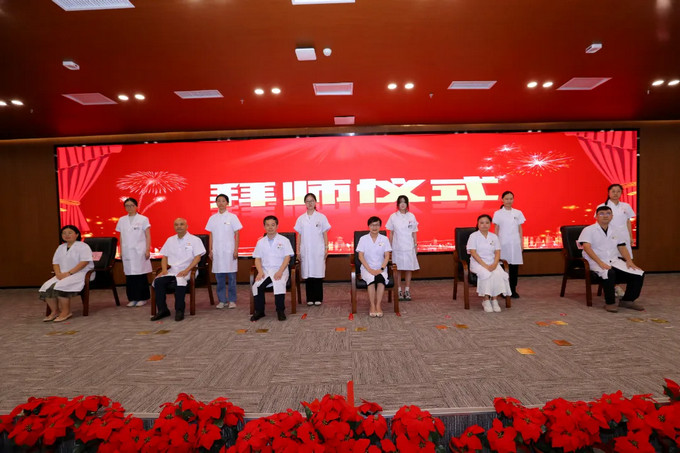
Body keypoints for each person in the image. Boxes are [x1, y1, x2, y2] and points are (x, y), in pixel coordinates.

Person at [578, 205, 644, 313]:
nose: (605, 216)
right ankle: (610, 302)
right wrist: (600, 263)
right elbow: (587, 247)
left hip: (614, 260)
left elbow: (622, 247)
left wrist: (629, 261)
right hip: (595, 261)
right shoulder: (589, 230)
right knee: (609, 273)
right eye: (602, 214)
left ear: (612, 216)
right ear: (596, 216)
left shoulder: (616, 230)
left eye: (608, 213)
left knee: (638, 273)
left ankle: (627, 300)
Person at [150, 218, 206, 322]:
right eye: (176, 225)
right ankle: (163, 310)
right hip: (172, 270)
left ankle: (179, 310)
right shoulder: (170, 240)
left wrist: (187, 270)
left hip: (188, 270)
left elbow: (197, 258)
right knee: (158, 281)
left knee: (179, 281)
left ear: (187, 226)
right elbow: (164, 257)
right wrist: (164, 270)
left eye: (181, 224)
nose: (179, 226)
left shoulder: (195, 240)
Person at [38, 225, 94, 322]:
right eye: (64, 233)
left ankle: (66, 312)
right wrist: (58, 274)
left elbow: (84, 262)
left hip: (80, 273)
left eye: (70, 233)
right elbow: (55, 263)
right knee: (46, 287)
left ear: (77, 234)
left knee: (61, 286)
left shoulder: (83, 246)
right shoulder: (61, 247)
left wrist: (69, 273)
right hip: (62, 274)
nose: (66, 235)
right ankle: (55, 311)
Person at [596, 184, 636, 298]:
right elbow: (598, 222)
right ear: (608, 193)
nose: (615, 193)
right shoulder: (602, 206)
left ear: (621, 193)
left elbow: (628, 222)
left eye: (618, 191)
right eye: (613, 191)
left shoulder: (626, 206)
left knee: (625, 261)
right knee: (611, 261)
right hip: (609, 238)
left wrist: (630, 237)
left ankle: (619, 286)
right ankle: (613, 286)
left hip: (623, 237)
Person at [251, 215, 294, 321]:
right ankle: (259, 311)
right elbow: (257, 259)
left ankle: (280, 311)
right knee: (257, 285)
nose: (270, 227)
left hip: (280, 269)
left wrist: (280, 271)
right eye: (267, 225)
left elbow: (287, 257)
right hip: (265, 271)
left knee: (278, 282)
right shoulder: (260, 242)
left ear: (277, 226)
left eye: (273, 225)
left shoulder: (284, 240)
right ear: (264, 227)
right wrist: (260, 271)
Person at [467, 214, 511, 313]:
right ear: (478, 224)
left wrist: (495, 264)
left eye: (487, 223)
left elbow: (497, 252)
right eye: (482, 223)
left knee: (498, 273)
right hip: (478, 263)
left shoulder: (494, 236)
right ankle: (486, 300)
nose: (484, 225)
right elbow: (473, 253)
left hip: (492, 262)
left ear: (490, 224)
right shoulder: (473, 236)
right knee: (486, 274)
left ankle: (494, 300)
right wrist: (485, 266)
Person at [206, 194, 242, 309]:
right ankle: (222, 300)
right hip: (217, 252)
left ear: (227, 203)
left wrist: (236, 250)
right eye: (219, 201)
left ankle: (232, 300)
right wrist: (210, 250)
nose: (221, 203)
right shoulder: (212, 218)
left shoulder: (232, 217)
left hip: (229, 251)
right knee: (219, 278)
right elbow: (211, 234)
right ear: (216, 203)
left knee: (231, 278)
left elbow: (237, 234)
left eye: (223, 201)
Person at [295, 193, 331, 307]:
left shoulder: (321, 217)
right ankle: (310, 298)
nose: (310, 203)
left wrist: (326, 248)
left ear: (315, 202)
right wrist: (298, 250)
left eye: (312, 201)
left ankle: (318, 297)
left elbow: (325, 233)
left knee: (318, 274)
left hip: (318, 249)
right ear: (305, 203)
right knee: (308, 274)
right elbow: (299, 235)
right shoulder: (301, 218)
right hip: (305, 250)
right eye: (307, 201)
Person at [115, 198, 152, 307]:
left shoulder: (143, 219)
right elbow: (121, 236)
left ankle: (143, 298)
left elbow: (148, 235)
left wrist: (147, 249)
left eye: (131, 205)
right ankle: (132, 298)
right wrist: (121, 250)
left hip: (140, 251)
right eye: (127, 206)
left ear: (136, 206)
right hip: (127, 251)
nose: (129, 208)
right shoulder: (122, 220)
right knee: (130, 276)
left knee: (140, 275)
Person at [356, 216, 392, 317]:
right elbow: (360, 256)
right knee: (371, 280)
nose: (374, 227)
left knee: (380, 280)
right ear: (368, 226)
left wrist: (381, 269)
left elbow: (387, 256)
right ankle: (372, 305)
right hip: (367, 268)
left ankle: (378, 305)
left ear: (380, 226)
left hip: (381, 268)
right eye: (372, 225)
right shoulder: (363, 239)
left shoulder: (384, 239)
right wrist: (369, 269)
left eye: (377, 225)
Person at [492, 191, 526, 298]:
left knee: (514, 267)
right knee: (503, 267)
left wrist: (521, 243)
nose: (509, 201)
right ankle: (503, 290)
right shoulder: (498, 213)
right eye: (506, 199)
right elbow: (496, 229)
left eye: (511, 199)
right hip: (503, 243)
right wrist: (495, 244)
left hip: (515, 243)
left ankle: (513, 289)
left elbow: (520, 229)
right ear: (502, 200)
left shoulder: (518, 213)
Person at [386, 195, 419, 301]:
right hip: (397, 246)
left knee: (409, 269)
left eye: (405, 202)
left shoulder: (411, 216)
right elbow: (391, 233)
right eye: (400, 202)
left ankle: (407, 290)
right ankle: (399, 290)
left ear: (407, 204)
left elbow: (414, 232)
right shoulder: (393, 216)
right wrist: (389, 247)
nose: (403, 204)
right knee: (398, 269)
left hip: (409, 246)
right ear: (398, 204)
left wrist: (415, 245)